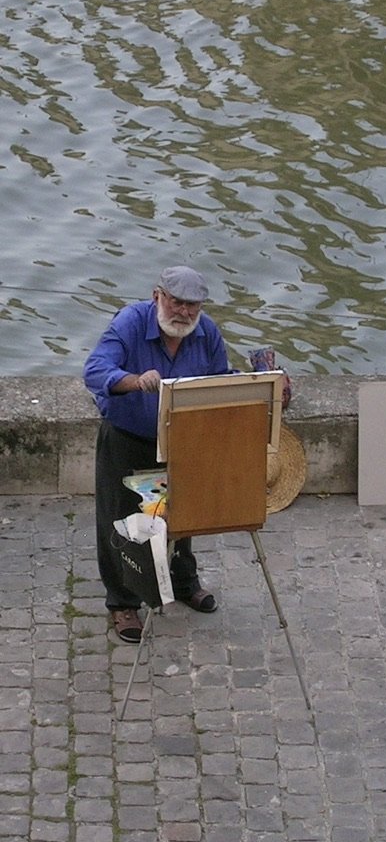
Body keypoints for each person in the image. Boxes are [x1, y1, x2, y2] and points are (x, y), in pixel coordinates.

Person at [84, 266, 230, 643]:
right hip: (129, 439)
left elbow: (218, 379)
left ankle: (183, 583)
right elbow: (96, 369)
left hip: (182, 440)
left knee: (179, 515)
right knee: (123, 521)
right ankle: (123, 602)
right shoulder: (130, 323)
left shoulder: (207, 332)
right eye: (176, 302)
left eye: (191, 306)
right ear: (157, 296)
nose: (182, 312)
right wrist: (133, 381)